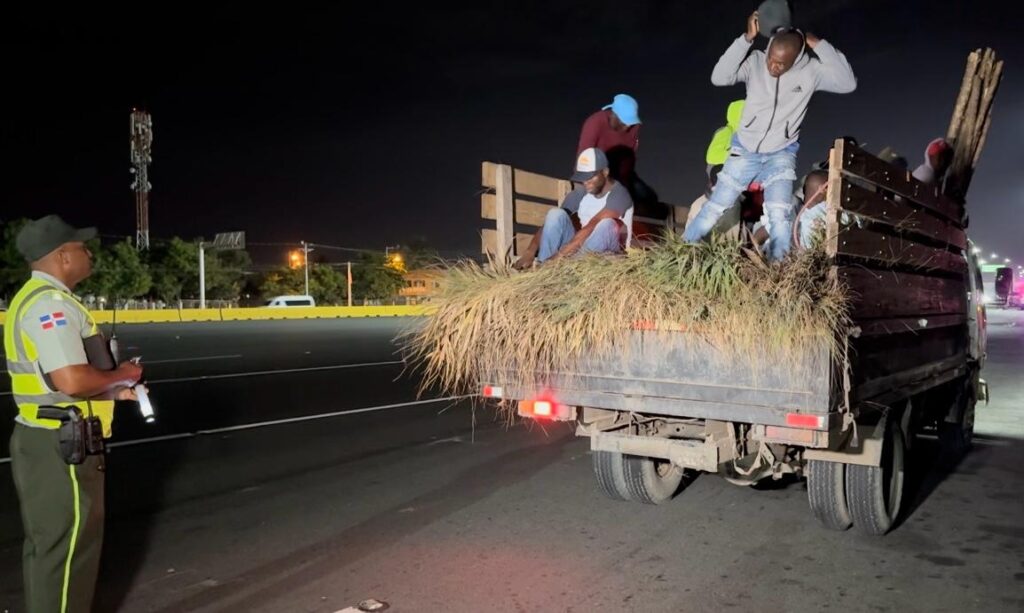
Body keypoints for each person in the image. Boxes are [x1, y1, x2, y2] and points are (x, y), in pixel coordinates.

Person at [4, 215, 144, 613]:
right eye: (82, 248)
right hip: (61, 447)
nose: (88, 254)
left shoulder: (36, 300)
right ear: (63, 256)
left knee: (52, 550)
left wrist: (115, 392)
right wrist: (124, 373)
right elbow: (71, 380)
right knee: (67, 556)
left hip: (51, 435)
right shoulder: (50, 305)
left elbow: (52, 381)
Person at [683, 9, 857, 261]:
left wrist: (816, 43)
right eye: (771, 58)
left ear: (796, 59)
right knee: (715, 207)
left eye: (780, 63)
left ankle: (777, 272)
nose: (772, 66)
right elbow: (719, 77)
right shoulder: (755, 62)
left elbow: (847, 82)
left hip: (781, 154)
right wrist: (745, 39)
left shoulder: (810, 72)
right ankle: (682, 250)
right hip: (745, 150)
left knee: (779, 216)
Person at [514, 148, 633, 268]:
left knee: (606, 225)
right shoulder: (580, 193)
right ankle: (543, 270)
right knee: (555, 214)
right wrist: (530, 250)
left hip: (609, 250)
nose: (586, 182)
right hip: (582, 249)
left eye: (590, 177)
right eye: (583, 177)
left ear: (605, 172)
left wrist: (558, 257)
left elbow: (593, 225)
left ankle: (566, 268)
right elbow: (551, 224)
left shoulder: (620, 194)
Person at [576, 93, 657, 205]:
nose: (628, 126)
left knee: (648, 197)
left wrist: (623, 185)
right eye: (625, 121)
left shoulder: (634, 128)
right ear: (613, 115)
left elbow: (629, 159)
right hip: (598, 173)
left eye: (631, 122)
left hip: (621, 174)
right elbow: (583, 158)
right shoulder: (595, 122)